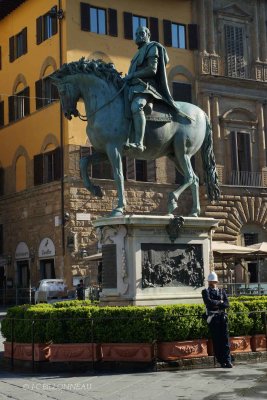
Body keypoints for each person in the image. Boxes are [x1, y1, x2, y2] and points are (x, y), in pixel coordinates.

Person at [124, 26, 191, 152]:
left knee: (136, 106)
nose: (138, 36)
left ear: (148, 34)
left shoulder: (152, 47)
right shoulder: (137, 53)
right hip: (133, 86)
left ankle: (139, 143)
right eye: (136, 33)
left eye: (141, 33)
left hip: (146, 87)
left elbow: (152, 70)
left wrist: (132, 75)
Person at [202, 271, 233, 368]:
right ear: (209, 282)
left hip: (222, 317)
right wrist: (220, 301)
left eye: (214, 281)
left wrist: (217, 303)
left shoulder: (222, 291)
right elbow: (208, 303)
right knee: (216, 340)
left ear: (216, 282)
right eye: (211, 282)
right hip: (213, 318)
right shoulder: (205, 291)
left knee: (225, 339)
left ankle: (228, 360)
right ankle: (221, 361)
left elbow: (226, 304)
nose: (213, 283)